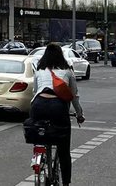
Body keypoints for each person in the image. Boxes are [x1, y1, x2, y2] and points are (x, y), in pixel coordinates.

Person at [30, 42, 86, 186]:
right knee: (64, 151)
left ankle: (38, 155)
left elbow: (35, 92)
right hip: (58, 107)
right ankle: (66, 183)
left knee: (39, 134)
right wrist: (79, 114)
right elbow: (74, 96)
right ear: (61, 55)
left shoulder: (40, 69)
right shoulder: (67, 71)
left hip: (38, 105)